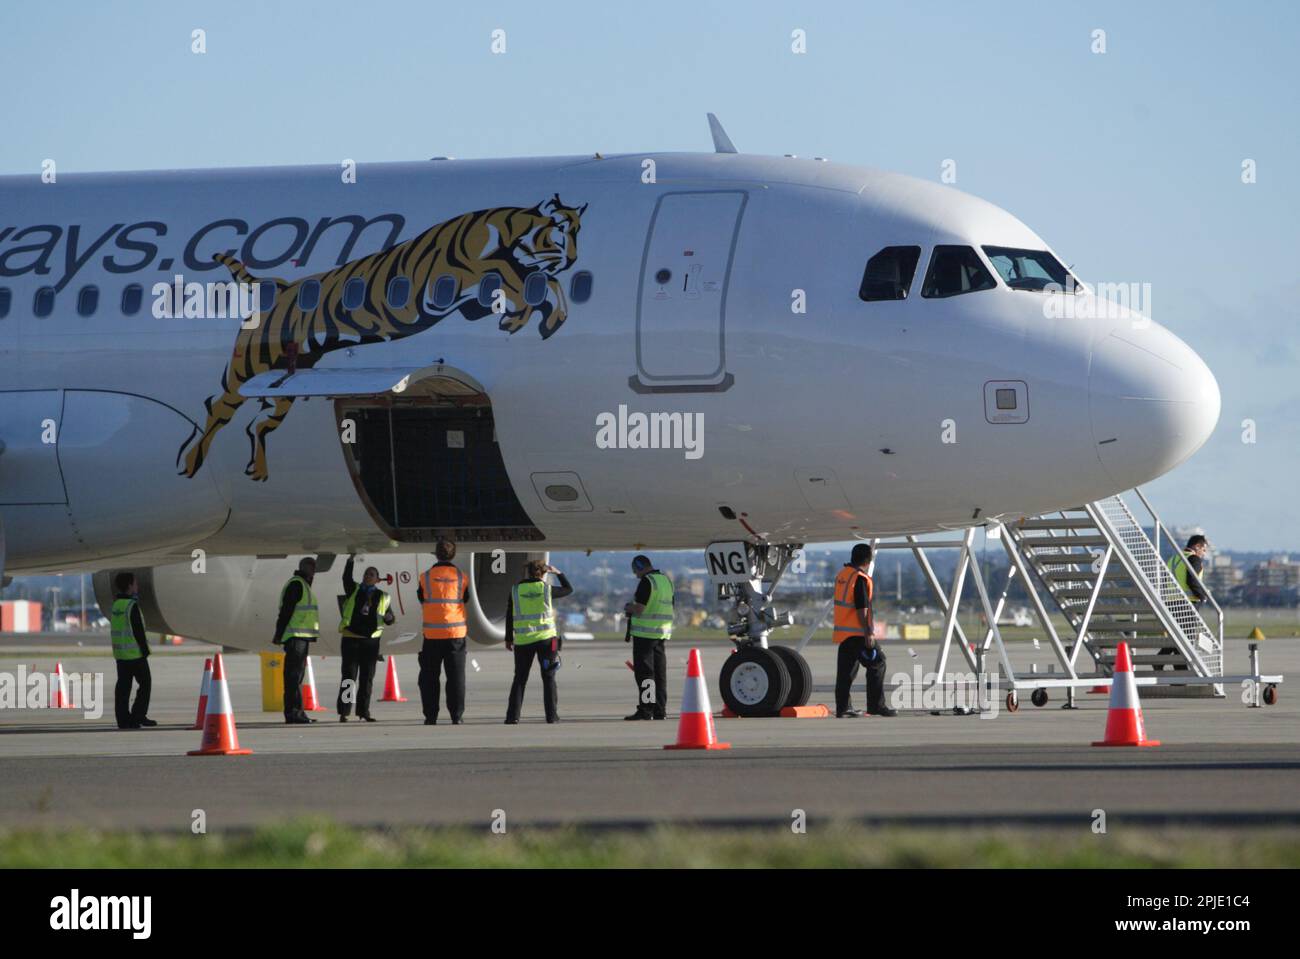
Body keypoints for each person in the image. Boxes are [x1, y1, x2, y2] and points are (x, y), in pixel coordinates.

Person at [504, 561, 572, 724]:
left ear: (528, 573)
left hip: (523, 641)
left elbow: (509, 615)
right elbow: (569, 589)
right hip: (546, 640)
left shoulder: (515, 590)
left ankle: (512, 717)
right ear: (544, 573)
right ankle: (551, 716)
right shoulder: (546, 589)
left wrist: (508, 638)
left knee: (520, 679)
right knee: (549, 678)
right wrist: (559, 573)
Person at [833, 543, 896, 718]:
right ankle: (876, 706)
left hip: (844, 633)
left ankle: (843, 708)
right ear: (868, 561)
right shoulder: (859, 578)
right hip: (858, 633)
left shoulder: (843, 575)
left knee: (846, 672)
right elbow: (862, 608)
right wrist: (868, 632)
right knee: (878, 663)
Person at [336, 555, 395, 722]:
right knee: (349, 676)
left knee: (367, 678)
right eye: (366, 574)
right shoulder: (354, 590)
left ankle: (364, 711)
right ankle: (344, 711)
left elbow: (389, 618)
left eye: (371, 574)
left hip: (370, 642)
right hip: (351, 638)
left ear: (377, 579)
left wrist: (390, 618)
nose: (367, 576)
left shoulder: (383, 596)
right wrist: (350, 561)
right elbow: (346, 578)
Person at [417, 539, 469, 725]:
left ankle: (431, 716)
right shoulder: (462, 577)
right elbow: (466, 598)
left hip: (432, 636)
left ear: (436, 554)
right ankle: (457, 716)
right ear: (453, 555)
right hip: (456, 634)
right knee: (456, 678)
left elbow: (421, 598)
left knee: (429, 678)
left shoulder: (426, 577)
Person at [624, 555, 673, 721]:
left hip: (645, 635)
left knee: (645, 674)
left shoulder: (647, 581)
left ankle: (646, 709)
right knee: (660, 674)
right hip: (661, 634)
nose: (636, 575)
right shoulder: (666, 581)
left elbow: (640, 608)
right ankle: (660, 710)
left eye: (635, 571)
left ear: (640, 566)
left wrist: (628, 608)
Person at [273, 557, 319, 724]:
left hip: (301, 637)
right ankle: (293, 713)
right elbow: (286, 611)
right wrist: (278, 634)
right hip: (295, 638)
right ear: (304, 567)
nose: (315, 570)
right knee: (293, 677)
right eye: (312, 566)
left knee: (297, 677)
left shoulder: (304, 584)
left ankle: (297, 712)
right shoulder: (297, 584)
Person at [109, 572, 156, 729]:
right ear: (129, 586)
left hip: (120, 655)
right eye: (135, 583)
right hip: (135, 654)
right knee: (145, 683)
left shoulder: (116, 605)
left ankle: (123, 720)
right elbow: (138, 632)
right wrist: (145, 650)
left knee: (123, 688)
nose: (137, 586)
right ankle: (138, 715)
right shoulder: (131, 606)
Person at [1159, 534, 1211, 670]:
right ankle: (1180, 674)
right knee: (1185, 640)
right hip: (1188, 603)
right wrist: (1203, 596)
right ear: (1197, 546)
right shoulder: (1194, 559)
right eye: (1204, 550)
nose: (1204, 554)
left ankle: (1161, 661)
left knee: (1177, 638)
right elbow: (1191, 581)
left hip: (1171, 602)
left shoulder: (1174, 559)